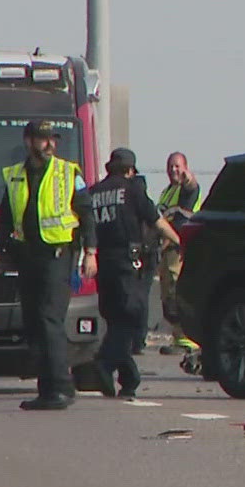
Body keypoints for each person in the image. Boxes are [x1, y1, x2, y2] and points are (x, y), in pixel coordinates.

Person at [0, 120, 95, 410]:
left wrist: (91, 252)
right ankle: (49, 388)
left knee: (50, 319)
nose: (50, 144)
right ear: (28, 141)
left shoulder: (67, 172)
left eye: (52, 139)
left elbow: (86, 214)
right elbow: (7, 217)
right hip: (28, 257)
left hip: (58, 255)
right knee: (35, 322)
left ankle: (59, 387)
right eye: (43, 139)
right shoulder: (15, 176)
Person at [88, 148, 179, 399]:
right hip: (127, 263)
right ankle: (104, 364)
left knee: (117, 321)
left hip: (101, 263)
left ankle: (129, 379)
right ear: (130, 170)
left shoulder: (93, 192)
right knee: (131, 319)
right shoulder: (132, 190)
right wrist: (179, 240)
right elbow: (156, 221)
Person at [156, 151, 203, 356]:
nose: (173, 170)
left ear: (185, 168)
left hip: (180, 248)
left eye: (177, 166)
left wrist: (189, 179)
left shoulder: (188, 189)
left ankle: (189, 339)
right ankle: (178, 336)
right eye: (170, 166)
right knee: (167, 294)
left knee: (178, 290)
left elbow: (191, 189)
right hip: (166, 250)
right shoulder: (167, 192)